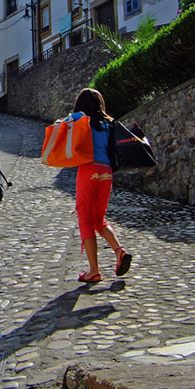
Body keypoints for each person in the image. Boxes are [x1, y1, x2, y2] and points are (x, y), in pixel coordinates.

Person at [67, 88, 132, 283]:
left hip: (88, 171)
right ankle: (119, 251)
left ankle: (94, 271)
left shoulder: (79, 117)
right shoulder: (109, 122)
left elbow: (62, 127)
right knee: (99, 219)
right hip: (106, 173)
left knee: (86, 220)